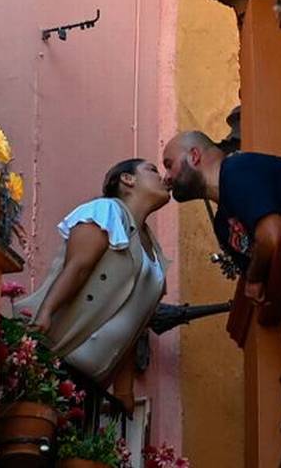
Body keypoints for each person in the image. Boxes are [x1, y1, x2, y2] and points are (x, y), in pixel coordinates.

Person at [16, 158, 169, 411]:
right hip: (58, 353)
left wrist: (124, 390)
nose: (162, 177)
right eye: (152, 170)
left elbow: (133, 325)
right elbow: (78, 266)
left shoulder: (155, 253)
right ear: (127, 179)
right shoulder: (105, 211)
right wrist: (45, 312)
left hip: (91, 381)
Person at [161, 130, 281, 302]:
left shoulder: (237, 170)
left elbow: (271, 237)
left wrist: (254, 279)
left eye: (169, 165)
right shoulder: (222, 224)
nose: (166, 178)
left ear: (194, 156)